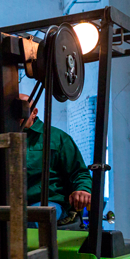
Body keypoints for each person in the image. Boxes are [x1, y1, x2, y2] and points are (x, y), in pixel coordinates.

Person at [19, 93, 92, 222]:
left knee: (32, 217)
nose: (15, 115)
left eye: (21, 110)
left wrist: (82, 190)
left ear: (34, 112)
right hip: (9, 202)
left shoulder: (57, 138)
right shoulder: (1, 139)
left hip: (47, 202)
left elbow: (79, 172)